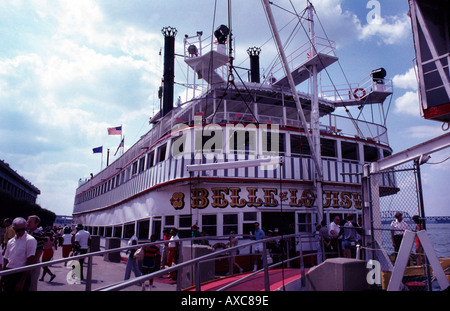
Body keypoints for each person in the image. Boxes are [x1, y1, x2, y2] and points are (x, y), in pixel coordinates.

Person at [1, 217, 37, 291]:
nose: (21, 232)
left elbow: (30, 262)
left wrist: (22, 281)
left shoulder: (30, 240)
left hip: (21, 274)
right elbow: (6, 260)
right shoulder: (10, 241)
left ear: (25, 227)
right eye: (18, 230)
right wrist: (1, 279)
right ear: (14, 229)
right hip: (9, 273)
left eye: (23, 229)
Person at [26, 215, 45, 291]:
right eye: (27, 221)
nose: (27, 223)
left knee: (31, 285)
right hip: (24, 261)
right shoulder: (25, 233)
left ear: (36, 223)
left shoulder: (39, 234)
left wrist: (32, 264)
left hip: (33, 262)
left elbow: (39, 250)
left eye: (30, 222)